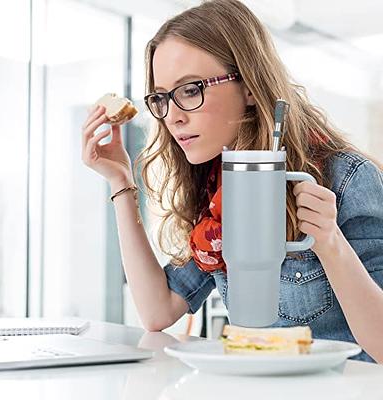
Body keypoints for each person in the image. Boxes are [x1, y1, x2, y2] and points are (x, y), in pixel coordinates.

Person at [82, 0, 383, 363]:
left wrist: (331, 244)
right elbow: (158, 309)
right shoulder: (217, 190)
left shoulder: (347, 179)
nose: (172, 116)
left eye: (191, 90)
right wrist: (120, 182)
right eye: (161, 98)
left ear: (250, 88)